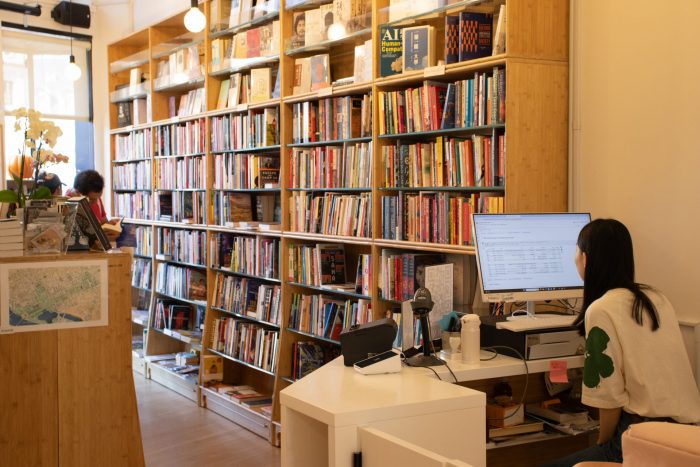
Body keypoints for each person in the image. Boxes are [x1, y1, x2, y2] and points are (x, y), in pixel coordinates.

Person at [543, 219, 700, 466]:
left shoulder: (601, 310)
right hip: (684, 436)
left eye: (576, 252)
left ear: (586, 259)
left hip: (640, 435)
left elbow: (609, 399)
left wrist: (602, 446)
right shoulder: (656, 299)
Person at [66, 170, 120, 240]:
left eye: (98, 197)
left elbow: (102, 223)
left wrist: (110, 225)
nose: (95, 202)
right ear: (78, 193)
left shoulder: (96, 199)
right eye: (91, 199)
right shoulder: (70, 201)